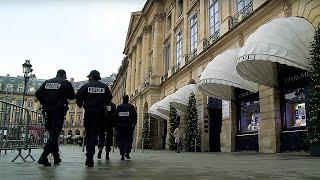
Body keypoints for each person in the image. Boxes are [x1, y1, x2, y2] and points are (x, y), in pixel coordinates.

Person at [35, 69, 75, 166]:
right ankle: (43, 157)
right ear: (64, 75)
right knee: (54, 134)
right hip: (58, 110)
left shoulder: (47, 82)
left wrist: (45, 103)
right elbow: (72, 97)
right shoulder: (65, 83)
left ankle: (56, 157)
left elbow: (37, 94)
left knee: (53, 133)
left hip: (48, 111)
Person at [76, 70, 112, 167]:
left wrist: (82, 104)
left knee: (90, 135)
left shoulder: (85, 86)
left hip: (89, 113)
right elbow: (109, 99)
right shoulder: (104, 87)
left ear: (91, 77)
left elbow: (78, 97)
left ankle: (89, 157)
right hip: (100, 114)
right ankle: (92, 154)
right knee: (96, 134)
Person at [115, 95, 137, 160]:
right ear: (128, 99)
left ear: (122, 99)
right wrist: (133, 124)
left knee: (121, 140)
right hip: (129, 127)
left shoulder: (119, 107)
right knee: (129, 140)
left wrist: (116, 127)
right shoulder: (131, 107)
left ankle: (122, 154)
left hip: (120, 127)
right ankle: (127, 153)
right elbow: (135, 116)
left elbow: (115, 117)